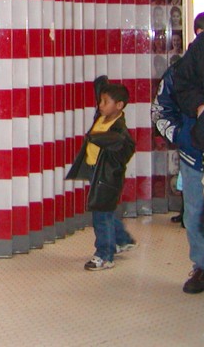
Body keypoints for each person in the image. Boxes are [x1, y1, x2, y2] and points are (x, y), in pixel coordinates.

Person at [152, 11, 204, 293]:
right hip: (196, 157)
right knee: (194, 215)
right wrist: (185, 137)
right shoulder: (180, 71)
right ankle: (202, 267)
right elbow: (161, 110)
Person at [66, 78, 136, 271]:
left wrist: (96, 138)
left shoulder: (118, 128)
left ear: (119, 106)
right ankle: (122, 239)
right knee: (106, 210)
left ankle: (105, 255)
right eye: (100, 101)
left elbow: (123, 144)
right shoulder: (103, 116)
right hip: (95, 171)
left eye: (105, 102)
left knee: (101, 213)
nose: (100, 105)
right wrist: (102, 87)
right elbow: (101, 90)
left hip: (107, 176)